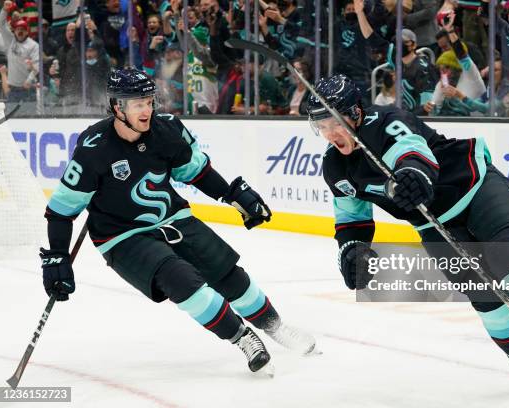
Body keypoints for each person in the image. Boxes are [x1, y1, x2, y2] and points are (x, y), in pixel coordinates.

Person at [307, 74, 509, 391]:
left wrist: (413, 174)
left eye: (334, 122)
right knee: (482, 296)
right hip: (432, 222)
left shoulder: (385, 120)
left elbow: (413, 151)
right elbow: (351, 218)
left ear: (355, 112)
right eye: (321, 126)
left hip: (475, 187)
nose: (330, 134)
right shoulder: (335, 167)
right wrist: (352, 248)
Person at [41, 68, 316, 374]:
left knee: (228, 275)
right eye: (137, 104)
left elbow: (196, 173)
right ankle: (242, 338)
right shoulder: (94, 148)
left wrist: (232, 195)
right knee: (181, 279)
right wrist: (57, 257)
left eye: (148, 101)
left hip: (173, 218)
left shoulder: (167, 129)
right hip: (122, 236)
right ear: (118, 107)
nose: (146, 109)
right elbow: (61, 211)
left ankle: (275, 326)